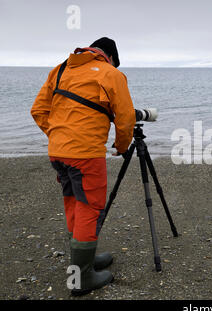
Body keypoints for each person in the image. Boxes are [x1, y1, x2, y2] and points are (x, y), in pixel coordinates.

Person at [30, 37, 136, 296]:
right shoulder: (111, 74)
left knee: (74, 203)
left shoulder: (61, 69)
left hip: (58, 152)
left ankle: (82, 262)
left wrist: (58, 137)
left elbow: (38, 111)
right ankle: (81, 278)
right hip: (86, 155)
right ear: (109, 57)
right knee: (90, 208)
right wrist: (121, 146)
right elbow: (126, 118)